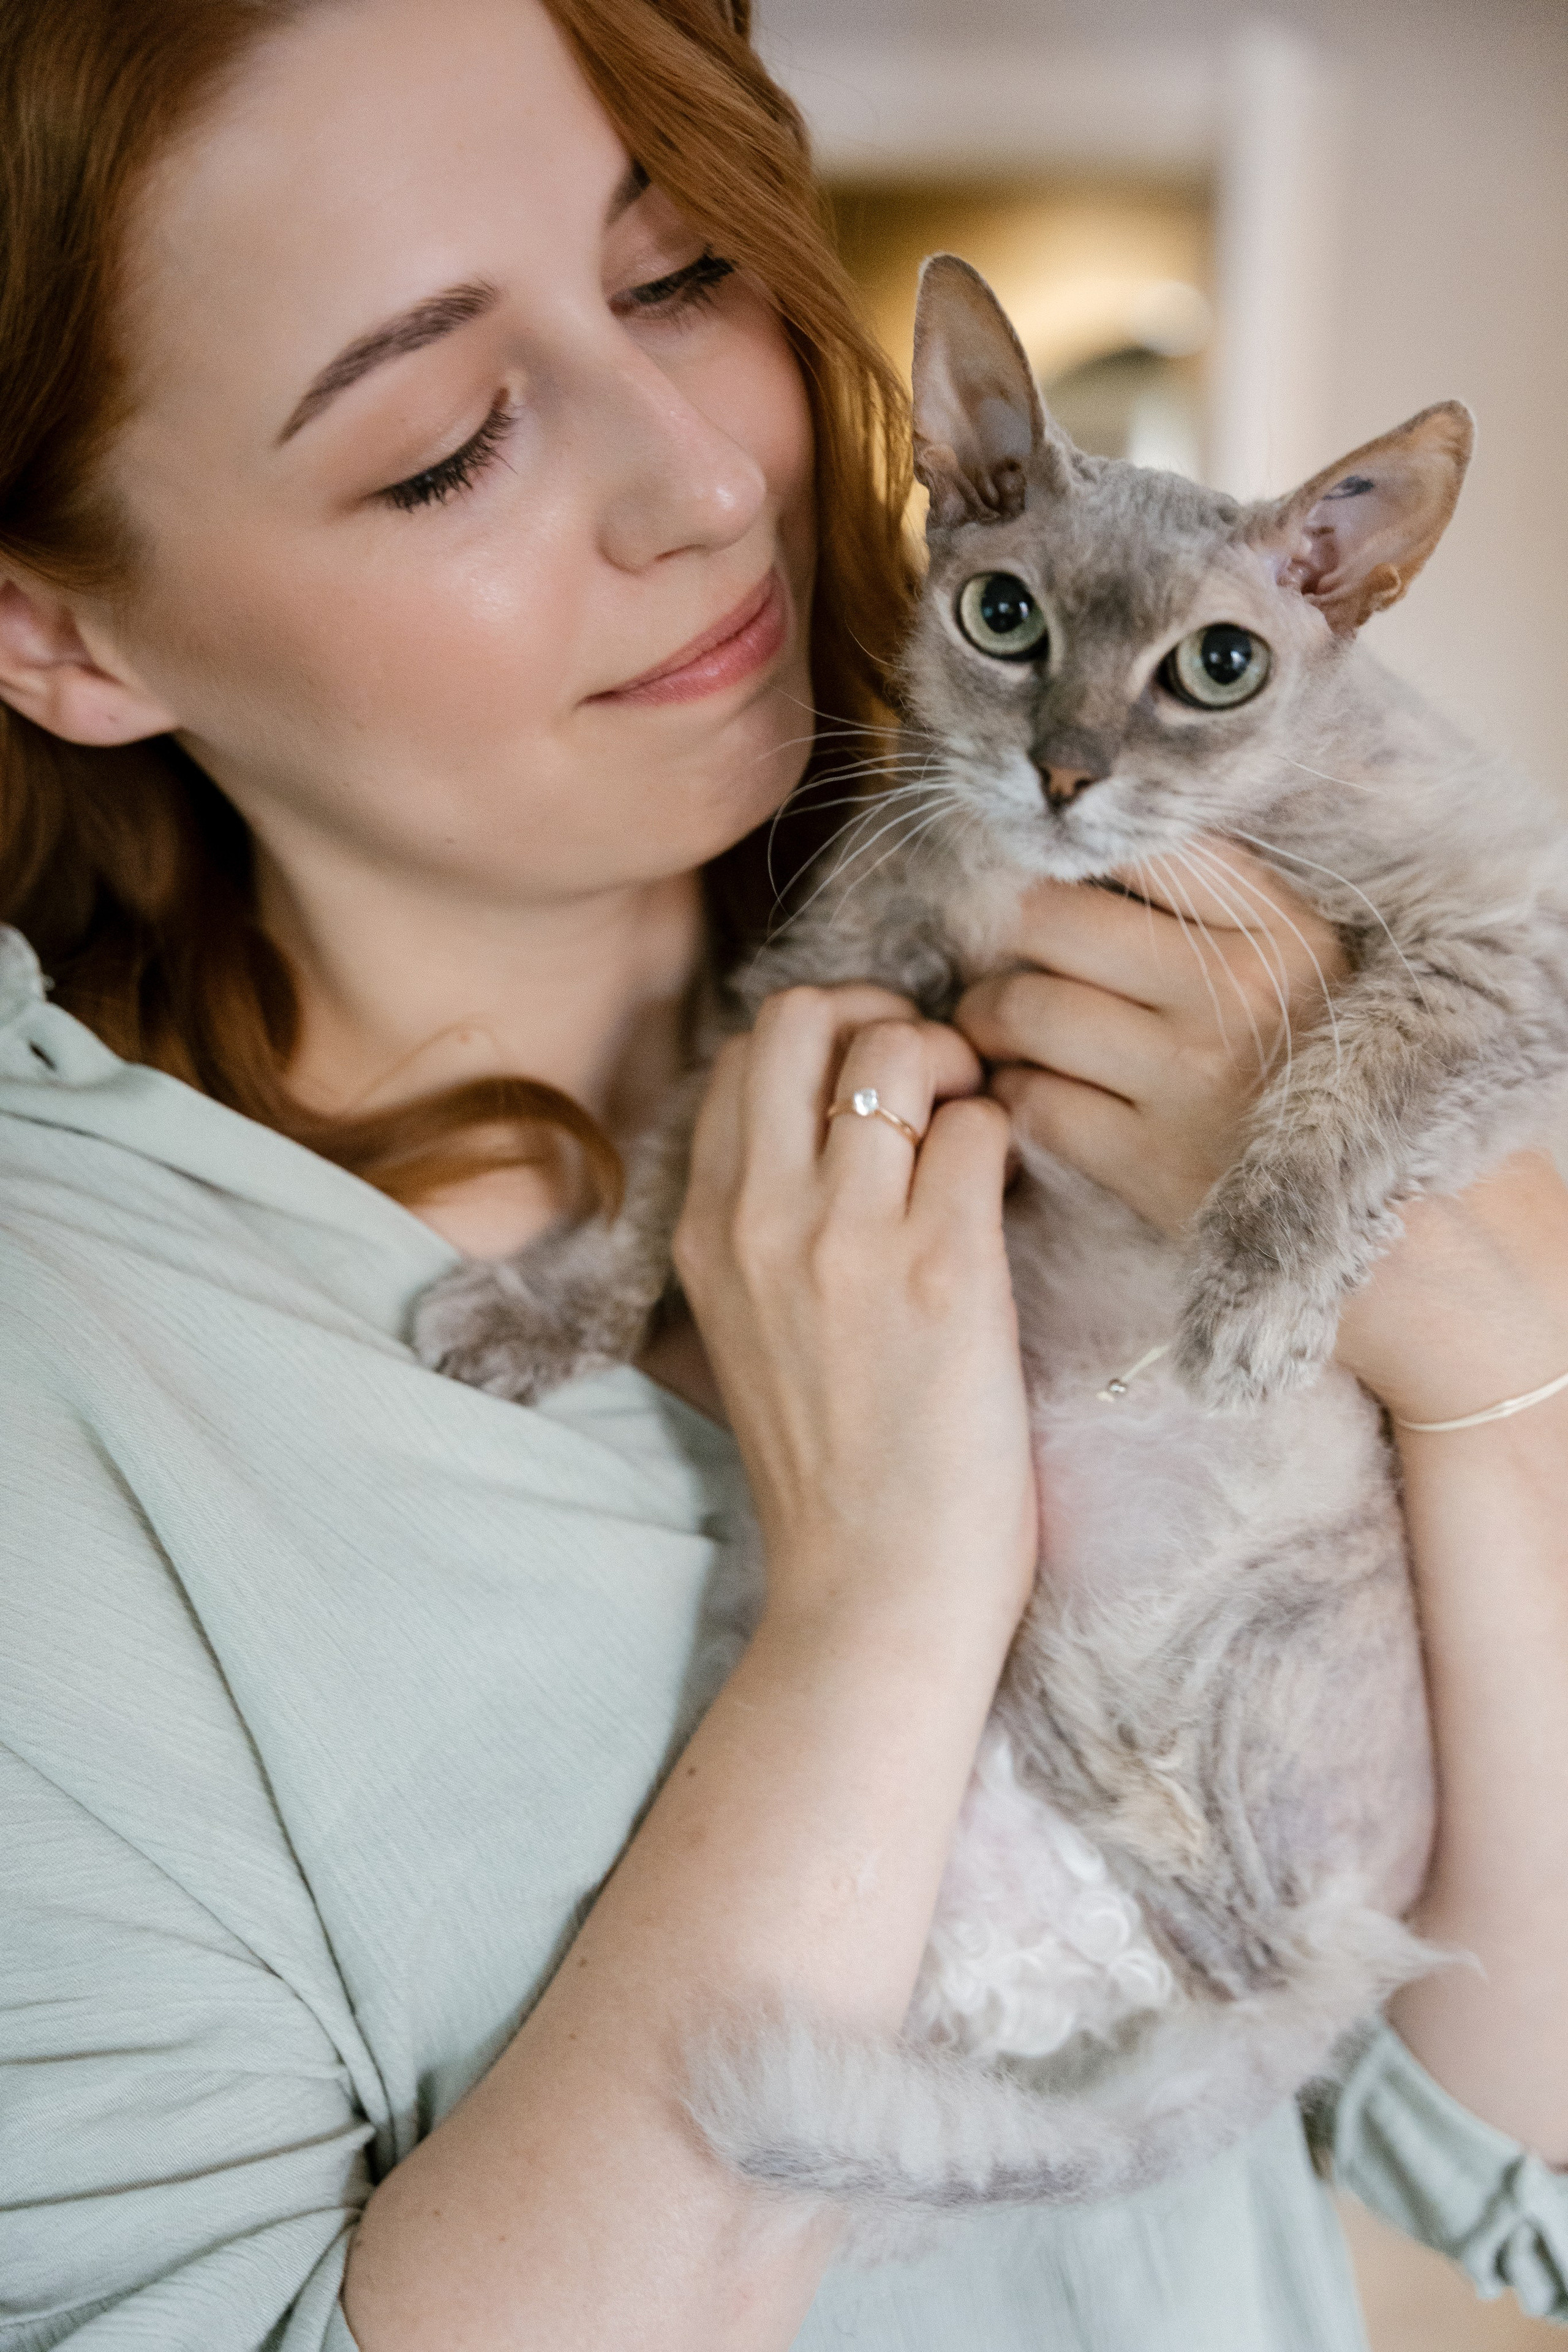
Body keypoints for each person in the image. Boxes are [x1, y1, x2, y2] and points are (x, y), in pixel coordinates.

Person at [1, 1, 1564, 2345]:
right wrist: (887, 1602)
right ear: (63, 627)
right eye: (442, 450)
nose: (715, 485)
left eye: (679, 280)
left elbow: (1509, 2182)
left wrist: (1488, 1355)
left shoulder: (1226, 953)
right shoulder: (73, 1416)